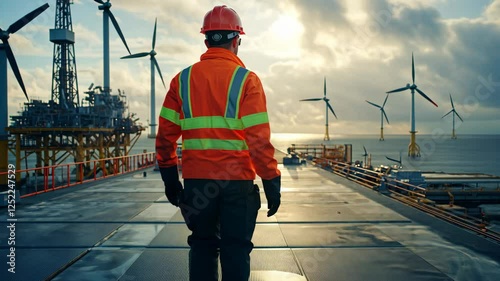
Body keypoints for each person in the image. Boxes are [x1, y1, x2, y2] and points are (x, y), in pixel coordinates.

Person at [155, 5, 281, 281]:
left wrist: (170, 181)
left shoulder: (182, 80)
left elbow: (165, 137)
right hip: (237, 185)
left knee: (202, 245)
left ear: (206, 40)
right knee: (235, 249)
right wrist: (272, 182)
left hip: (198, 184)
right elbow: (258, 142)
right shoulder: (247, 81)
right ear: (237, 40)